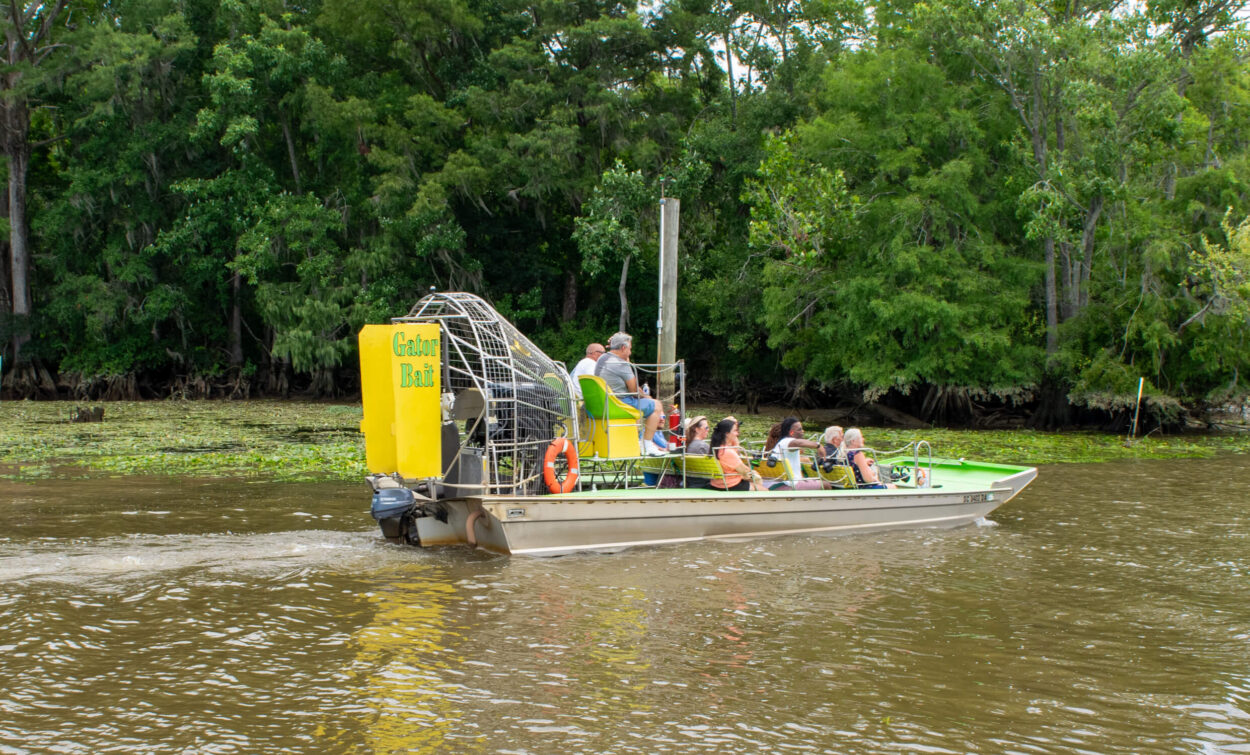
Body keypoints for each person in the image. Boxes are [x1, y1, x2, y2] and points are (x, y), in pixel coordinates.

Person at [594, 332, 665, 456]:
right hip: (619, 404)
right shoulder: (621, 365)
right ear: (623, 348)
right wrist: (648, 397)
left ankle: (638, 441)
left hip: (604, 403)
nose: (630, 353)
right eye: (629, 349)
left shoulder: (602, 358)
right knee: (657, 405)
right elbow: (634, 390)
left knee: (647, 402)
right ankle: (647, 445)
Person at [768, 417, 830, 491]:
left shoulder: (781, 443)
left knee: (810, 481)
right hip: (791, 484)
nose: (803, 431)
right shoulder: (788, 441)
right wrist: (818, 446)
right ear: (791, 432)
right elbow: (798, 443)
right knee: (826, 485)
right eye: (800, 429)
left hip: (779, 483)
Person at [708, 418, 765, 491]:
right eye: (735, 431)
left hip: (717, 483)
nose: (737, 434)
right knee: (763, 489)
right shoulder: (727, 452)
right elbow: (744, 470)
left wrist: (736, 444)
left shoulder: (716, 448)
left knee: (753, 478)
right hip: (730, 484)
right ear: (727, 433)